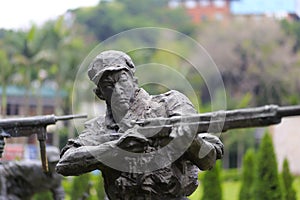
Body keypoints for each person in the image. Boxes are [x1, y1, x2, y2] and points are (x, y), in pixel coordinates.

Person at [56, 50, 224, 200]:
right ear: (99, 94)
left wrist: (186, 140)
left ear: (134, 81)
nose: (118, 90)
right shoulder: (99, 128)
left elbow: (207, 161)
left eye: (122, 80)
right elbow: (65, 164)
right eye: (108, 85)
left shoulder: (171, 104)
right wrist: (115, 149)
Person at [0, 146, 65, 200]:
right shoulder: (31, 167)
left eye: (57, 162)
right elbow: (2, 170)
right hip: (10, 192)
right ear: (45, 162)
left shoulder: (57, 176)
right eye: (52, 163)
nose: (55, 165)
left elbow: (58, 191)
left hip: (25, 196)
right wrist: (2, 195)